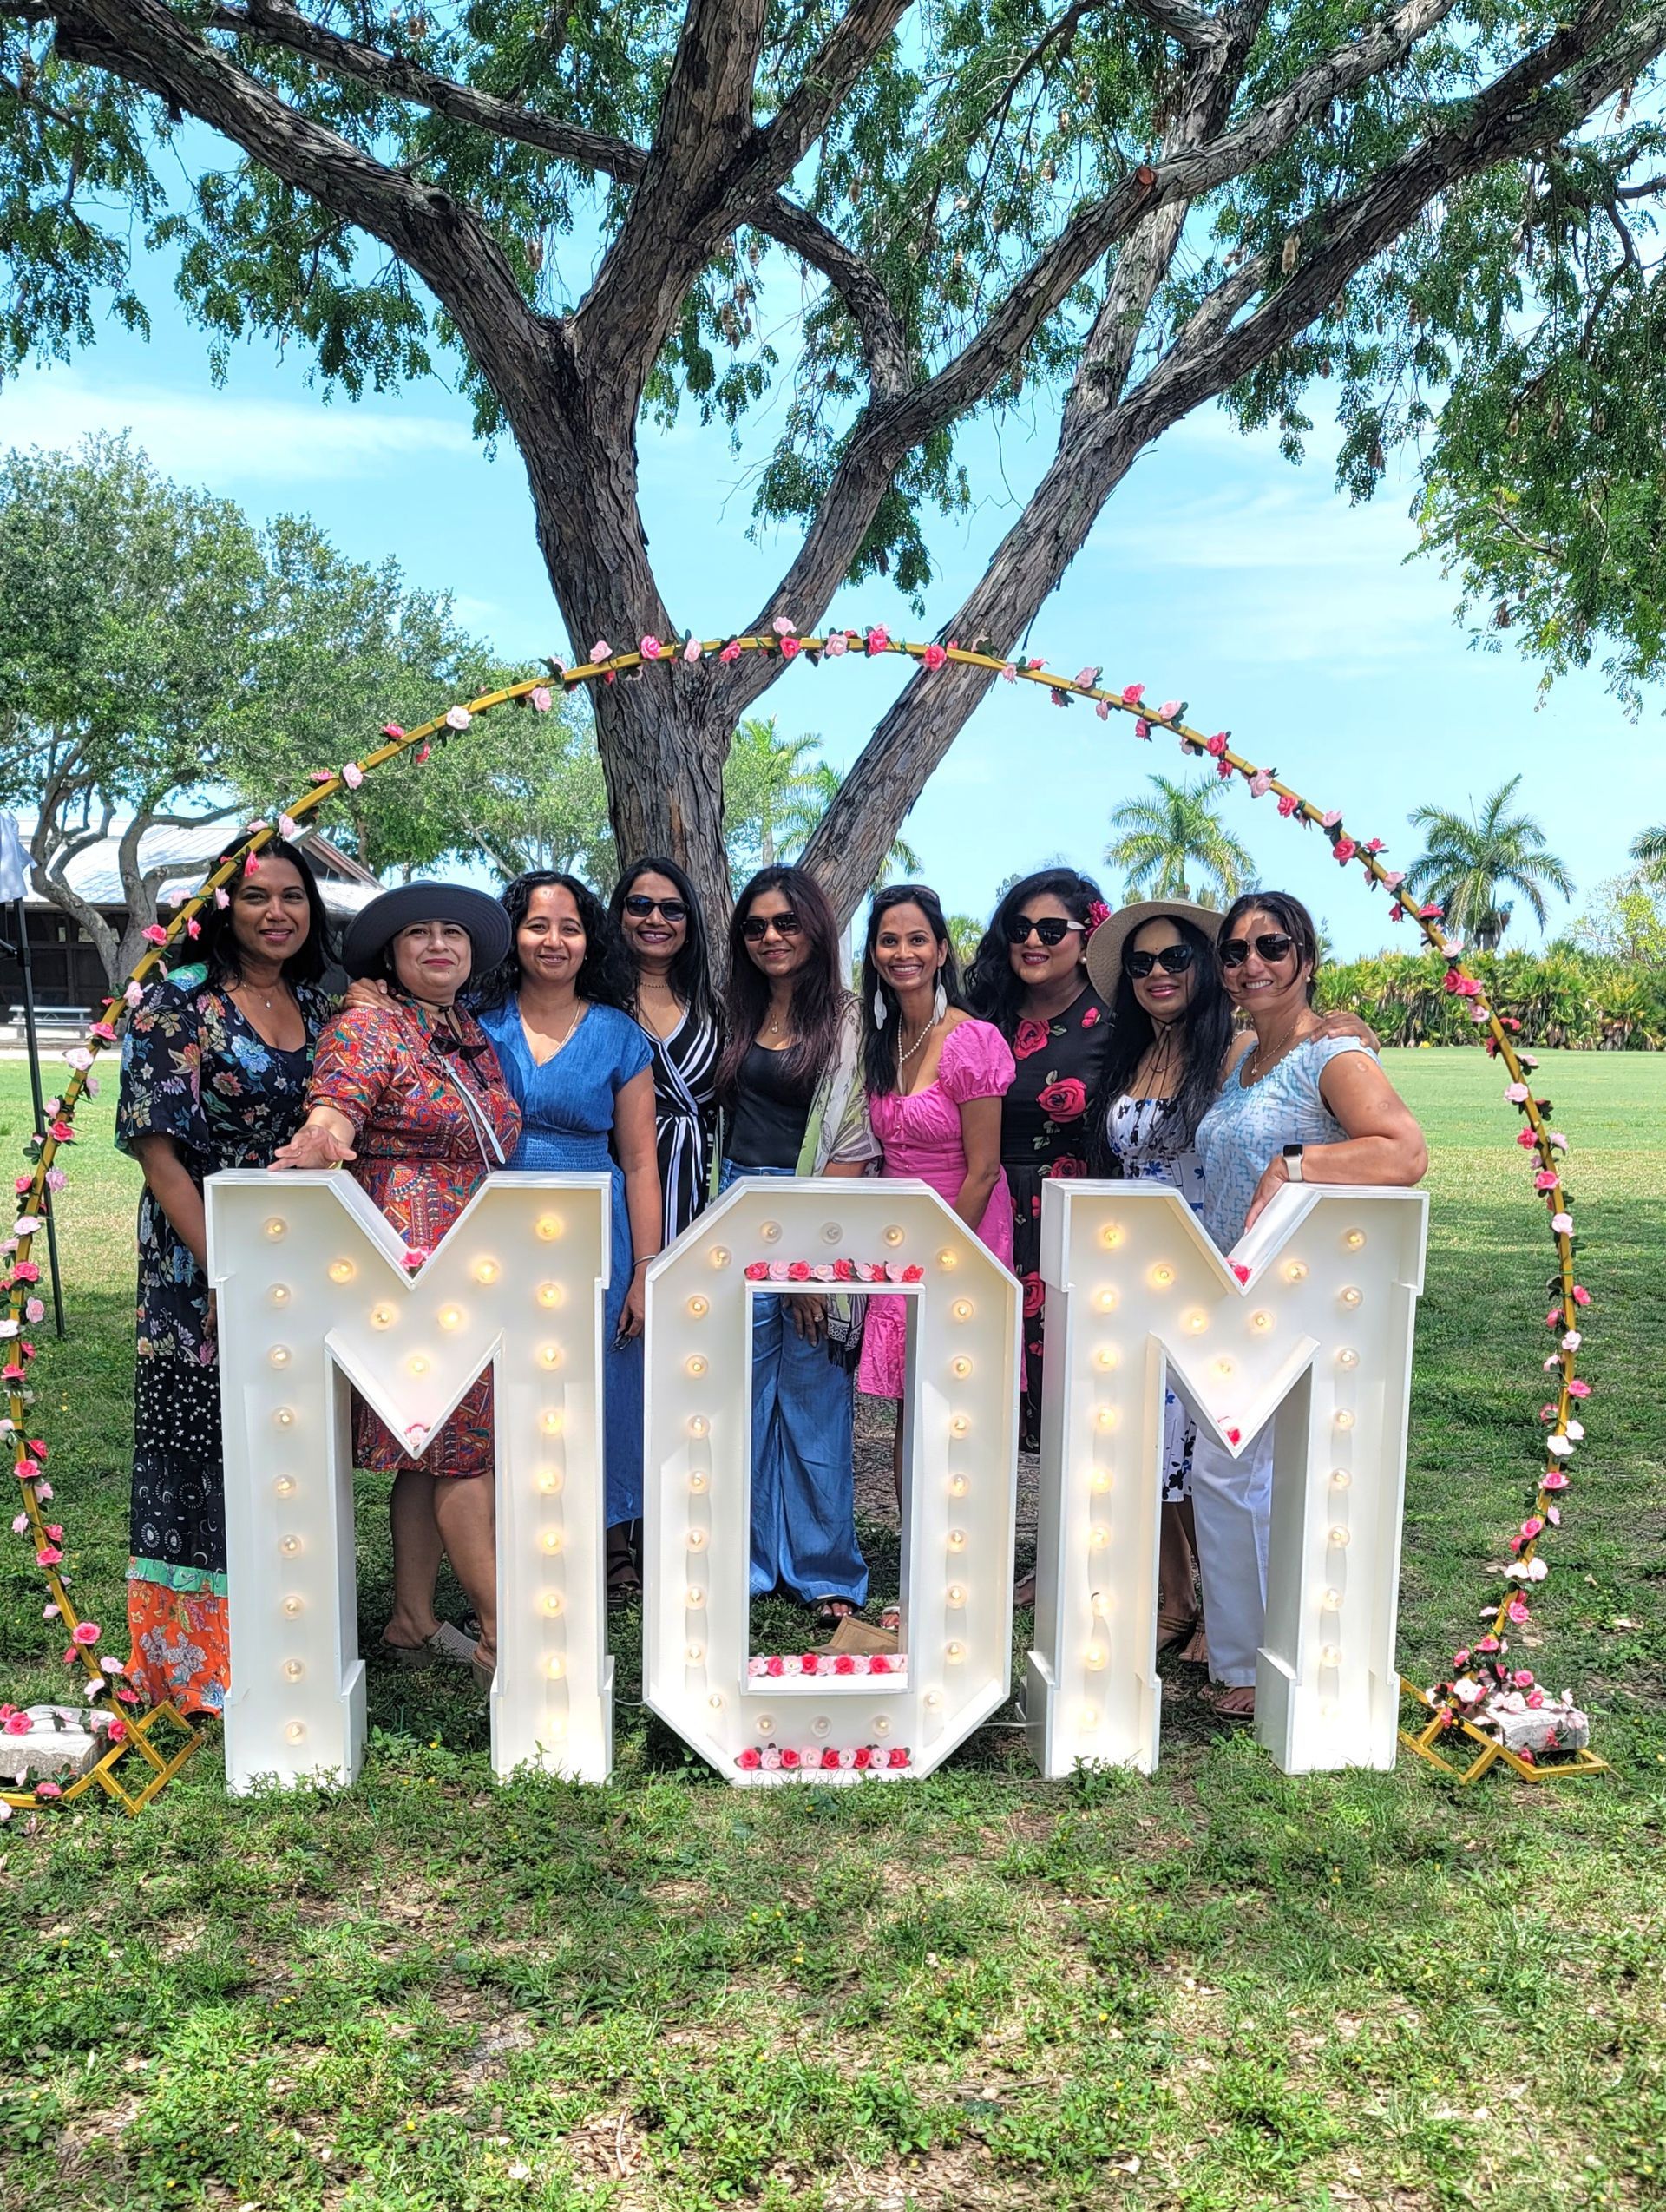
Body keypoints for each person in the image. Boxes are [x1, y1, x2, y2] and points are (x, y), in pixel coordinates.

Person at [271, 883, 521, 1691]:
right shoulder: (371, 1023)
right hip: (411, 1262)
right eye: (420, 932)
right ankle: (504, 1635)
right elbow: (336, 1104)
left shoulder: (466, 1032)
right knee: (460, 1452)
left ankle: (411, 1616)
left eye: (454, 931)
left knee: (430, 1449)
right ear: (391, 952)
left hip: (467, 1253)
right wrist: (320, 1138)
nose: (440, 943)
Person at [1190, 889, 1428, 1719]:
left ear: (1306, 958)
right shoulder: (1239, 1057)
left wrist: (1297, 1163)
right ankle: (1242, 1655)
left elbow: (1403, 1150)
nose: (1251, 962)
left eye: (1272, 945)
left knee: (1243, 1472)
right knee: (1228, 1474)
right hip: (1227, 1283)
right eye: (1235, 949)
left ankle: (1262, 1660)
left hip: (1292, 1290)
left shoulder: (1332, 1057)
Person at [116, 837, 336, 1716]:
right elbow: (158, 1154)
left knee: (285, 1439)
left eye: (293, 895)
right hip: (200, 1252)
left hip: (299, 1254)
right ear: (220, 908)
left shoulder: (321, 1006)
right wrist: (227, 1270)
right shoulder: (179, 1005)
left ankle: (294, 1629)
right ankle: (198, 1658)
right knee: (199, 1440)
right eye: (256, 897)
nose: (277, 911)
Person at [475, 873, 661, 1598]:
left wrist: (646, 1267)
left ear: (591, 941)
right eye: (537, 925)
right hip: (496, 1221)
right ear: (512, 935)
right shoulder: (475, 1022)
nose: (554, 940)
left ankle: (612, 1543)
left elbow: (641, 1159)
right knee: (508, 1375)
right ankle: (510, 1535)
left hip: (597, 1222)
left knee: (603, 1378)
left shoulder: (617, 1033)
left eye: (570, 927)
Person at [718, 864, 880, 1626]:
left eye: (786, 923)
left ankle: (823, 1571)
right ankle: (747, 1562)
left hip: (819, 1214)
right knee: (737, 1400)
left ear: (815, 927)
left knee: (815, 1401)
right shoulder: (733, 1012)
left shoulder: (850, 1021)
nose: (771, 938)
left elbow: (855, 1146)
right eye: (755, 926)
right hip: (734, 1214)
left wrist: (811, 1262)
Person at [1085, 899, 1232, 1660]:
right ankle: (1175, 1598)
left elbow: (1312, 1044)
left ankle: (1223, 1608)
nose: (1156, 974)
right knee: (1152, 1436)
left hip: (1204, 1261)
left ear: (1205, 967)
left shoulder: (1233, 1051)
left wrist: (1353, 1027)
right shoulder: (1132, 1052)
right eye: (1140, 964)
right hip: (1132, 1267)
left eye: (1174, 958)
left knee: (1208, 1442)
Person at [856, 884, 1015, 1493]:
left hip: (965, 1231)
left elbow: (984, 1168)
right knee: (909, 1406)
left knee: (962, 1398)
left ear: (942, 950)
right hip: (901, 1241)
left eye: (917, 939)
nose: (904, 952)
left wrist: (941, 1253)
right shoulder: (879, 1040)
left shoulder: (971, 1040)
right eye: (889, 940)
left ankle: (969, 1559)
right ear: (873, 955)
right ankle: (917, 1565)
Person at [967, 868, 1116, 1456]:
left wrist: (1331, 1027)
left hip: (1073, 1220)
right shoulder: (979, 1014)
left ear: (1087, 939)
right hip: (987, 1210)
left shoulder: (1119, 1019)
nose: (1033, 940)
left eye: (1052, 929)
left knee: (1079, 1399)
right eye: (1019, 927)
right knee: (976, 1391)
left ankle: (1077, 1545)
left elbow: (1209, 1044)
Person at [609, 856, 722, 1246]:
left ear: (689, 924)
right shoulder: (598, 1004)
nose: (655, 920)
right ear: (620, 915)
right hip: (622, 1188)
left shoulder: (716, 1009)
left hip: (704, 1189)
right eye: (640, 905)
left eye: (672, 909)